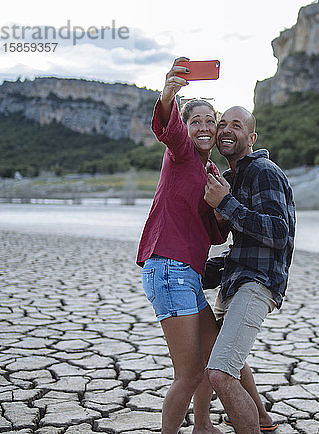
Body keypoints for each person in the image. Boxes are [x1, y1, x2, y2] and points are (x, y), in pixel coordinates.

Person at [136, 57, 225, 434]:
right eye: (196, 122)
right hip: (168, 268)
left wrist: (222, 206)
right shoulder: (182, 152)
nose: (203, 127)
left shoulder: (211, 172)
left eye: (210, 122)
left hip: (188, 273)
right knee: (187, 374)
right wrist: (170, 92)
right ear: (186, 129)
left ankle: (202, 426)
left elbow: (216, 235)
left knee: (211, 356)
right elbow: (168, 128)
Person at [203, 106, 296, 433]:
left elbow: (276, 232)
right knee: (229, 358)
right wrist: (196, 271)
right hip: (236, 281)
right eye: (222, 124)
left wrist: (226, 204)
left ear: (251, 137)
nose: (227, 130)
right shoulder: (232, 179)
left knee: (221, 372)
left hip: (257, 284)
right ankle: (264, 421)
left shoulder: (263, 171)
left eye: (237, 125)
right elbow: (242, 247)